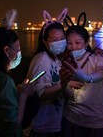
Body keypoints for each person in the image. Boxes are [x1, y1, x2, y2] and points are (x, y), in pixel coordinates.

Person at [59, 12, 103, 137]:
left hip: (96, 122)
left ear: (86, 43)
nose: (73, 47)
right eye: (69, 43)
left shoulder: (98, 57)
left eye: (78, 43)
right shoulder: (64, 61)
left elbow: (101, 72)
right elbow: (67, 94)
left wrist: (88, 78)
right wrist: (65, 84)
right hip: (71, 118)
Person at [26, 8, 68, 137]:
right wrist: (64, 84)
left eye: (62, 38)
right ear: (45, 42)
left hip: (54, 124)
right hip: (41, 127)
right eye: (55, 40)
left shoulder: (57, 59)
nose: (60, 43)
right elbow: (41, 93)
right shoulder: (42, 59)